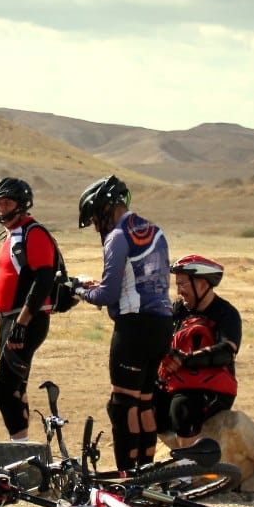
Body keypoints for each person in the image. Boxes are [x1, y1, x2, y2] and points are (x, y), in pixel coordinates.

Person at [75, 175, 172, 471]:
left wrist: (78, 289)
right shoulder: (155, 231)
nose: (95, 225)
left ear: (104, 208)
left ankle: (127, 478)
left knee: (122, 406)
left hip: (133, 329)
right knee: (144, 402)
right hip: (162, 326)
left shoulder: (118, 237)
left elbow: (107, 294)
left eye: (93, 217)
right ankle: (146, 472)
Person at [0, 177, 60, 440]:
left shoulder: (34, 234)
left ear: (22, 204)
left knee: (2, 388)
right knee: (14, 388)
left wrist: (22, 325)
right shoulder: (12, 235)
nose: (1, 208)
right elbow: (6, 284)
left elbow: (44, 281)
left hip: (27, 321)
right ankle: (25, 453)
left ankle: (22, 450)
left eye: (7, 202)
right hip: (10, 320)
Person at [156, 255, 241, 449]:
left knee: (182, 407)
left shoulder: (227, 313)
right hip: (178, 382)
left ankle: (187, 475)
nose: (178, 291)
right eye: (176, 285)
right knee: (133, 402)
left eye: (182, 284)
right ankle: (144, 472)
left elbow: (226, 352)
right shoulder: (179, 310)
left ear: (202, 284)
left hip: (213, 389)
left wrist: (185, 360)